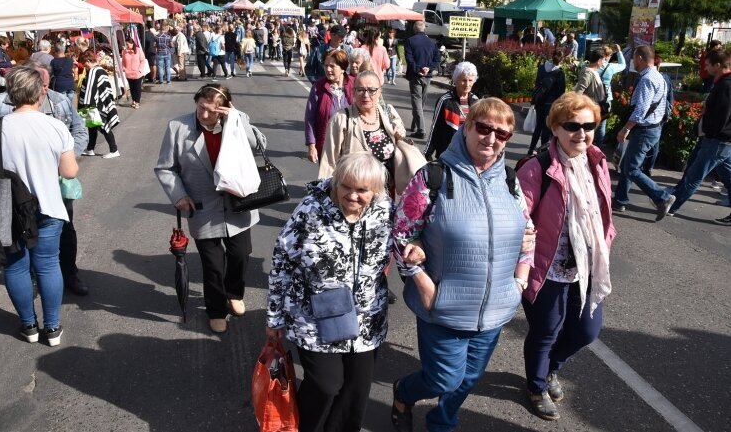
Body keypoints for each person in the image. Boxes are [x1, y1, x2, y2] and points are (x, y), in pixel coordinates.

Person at [390, 97, 533, 432]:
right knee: (443, 378)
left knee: (469, 378)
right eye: (484, 128)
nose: (492, 138)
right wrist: (422, 283)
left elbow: (528, 235)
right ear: (467, 128)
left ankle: (441, 423)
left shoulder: (510, 181)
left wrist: (520, 283)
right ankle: (405, 392)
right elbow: (399, 233)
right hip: (444, 308)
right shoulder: (434, 177)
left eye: (502, 134)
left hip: (496, 308)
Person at [266, 152, 393, 432]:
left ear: (376, 191)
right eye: (346, 186)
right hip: (313, 316)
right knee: (326, 385)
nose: (353, 195)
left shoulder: (386, 211)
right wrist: (274, 317)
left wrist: (417, 248)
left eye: (362, 190)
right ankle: (301, 427)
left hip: (365, 317)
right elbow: (281, 262)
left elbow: (412, 236)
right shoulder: (310, 209)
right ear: (336, 182)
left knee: (356, 391)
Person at [516, 92, 615, 420]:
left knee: (586, 331)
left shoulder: (597, 162)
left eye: (589, 126)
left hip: (586, 267)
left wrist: (606, 240)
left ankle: (550, 370)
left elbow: (603, 213)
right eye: (572, 125)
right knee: (546, 332)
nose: (581, 133)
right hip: (546, 269)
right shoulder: (537, 168)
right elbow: (518, 218)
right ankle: (536, 385)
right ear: (555, 128)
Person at [0, 66, 79, 346]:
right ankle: (53, 328)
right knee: (47, 265)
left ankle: (29, 325)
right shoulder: (55, 126)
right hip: (46, 205)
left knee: (15, 267)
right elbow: (69, 172)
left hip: (5, 206)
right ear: (41, 92)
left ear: (10, 93)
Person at [155, 85, 259, 334]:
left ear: (222, 109)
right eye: (201, 107)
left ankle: (234, 293)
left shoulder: (235, 121)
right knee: (213, 265)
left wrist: (237, 118)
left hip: (237, 204)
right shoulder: (178, 128)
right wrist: (178, 195)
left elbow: (257, 144)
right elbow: (165, 167)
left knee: (241, 254)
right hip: (203, 206)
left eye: (211, 111)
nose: (204, 115)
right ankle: (216, 309)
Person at [613, 45, 675, 220]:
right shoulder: (659, 76)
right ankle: (620, 200)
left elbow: (640, 110)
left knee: (631, 168)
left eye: (633, 58)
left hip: (645, 130)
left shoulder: (647, 79)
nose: (633, 62)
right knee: (628, 164)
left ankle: (662, 197)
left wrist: (625, 129)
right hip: (653, 128)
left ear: (640, 58)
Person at [319, 70, 407, 193]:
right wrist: (325, 193)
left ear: (379, 91)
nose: (366, 95)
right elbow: (329, 160)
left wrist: (399, 134)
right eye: (360, 90)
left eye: (371, 90)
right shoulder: (341, 118)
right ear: (353, 92)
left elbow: (401, 134)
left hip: (385, 192)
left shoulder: (388, 113)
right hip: (354, 194)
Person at [669, 49, 731, 222]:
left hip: (717, 140)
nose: (705, 67)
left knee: (694, 176)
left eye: (708, 64)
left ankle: (669, 205)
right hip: (720, 139)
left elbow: (722, 116)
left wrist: (709, 132)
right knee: (727, 175)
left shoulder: (726, 85)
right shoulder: (723, 82)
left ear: (718, 65)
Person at [304, 50, 355, 163]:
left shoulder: (355, 84)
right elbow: (310, 119)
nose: (328, 69)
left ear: (342, 68)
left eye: (332, 66)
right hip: (326, 145)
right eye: (326, 65)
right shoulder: (318, 87)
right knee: (329, 179)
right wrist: (311, 146)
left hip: (352, 144)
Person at [424, 61, 479, 161]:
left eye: (470, 80)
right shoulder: (445, 100)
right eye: (463, 80)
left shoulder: (476, 101)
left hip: (469, 154)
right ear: (456, 80)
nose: (467, 84)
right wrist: (428, 152)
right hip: (448, 153)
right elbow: (435, 127)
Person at [78, 50, 120, 159]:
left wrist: (87, 105)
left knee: (103, 126)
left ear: (88, 61)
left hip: (96, 104)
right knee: (92, 126)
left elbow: (90, 90)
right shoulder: (101, 70)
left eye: (84, 63)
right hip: (101, 103)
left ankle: (114, 149)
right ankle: (90, 148)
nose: (84, 66)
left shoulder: (93, 71)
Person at [404, 21, 440, 139]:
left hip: (415, 75)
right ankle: (415, 125)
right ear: (424, 29)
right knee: (420, 102)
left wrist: (418, 69)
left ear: (414, 29)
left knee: (417, 102)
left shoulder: (410, 41)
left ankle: (421, 129)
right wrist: (428, 68)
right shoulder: (432, 42)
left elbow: (409, 58)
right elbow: (437, 59)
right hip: (427, 76)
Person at [528, 50, 566, 155]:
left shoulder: (541, 68)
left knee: (538, 126)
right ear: (562, 59)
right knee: (546, 128)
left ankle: (531, 149)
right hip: (551, 103)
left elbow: (537, 84)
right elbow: (560, 92)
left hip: (540, 101)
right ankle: (543, 152)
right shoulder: (560, 73)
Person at [596, 44, 626, 145]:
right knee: (602, 124)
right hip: (605, 98)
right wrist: (619, 51)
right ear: (608, 56)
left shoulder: (593, 65)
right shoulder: (610, 67)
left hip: (592, 98)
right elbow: (623, 65)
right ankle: (598, 149)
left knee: (589, 122)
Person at [121, 37, 146, 109]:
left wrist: (140, 69)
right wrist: (124, 68)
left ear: (132, 43)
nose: (126, 46)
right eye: (126, 44)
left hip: (137, 73)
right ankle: (133, 100)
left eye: (127, 44)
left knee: (137, 88)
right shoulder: (124, 51)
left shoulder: (138, 50)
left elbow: (142, 60)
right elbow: (123, 61)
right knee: (132, 88)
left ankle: (137, 101)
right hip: (128, 73)